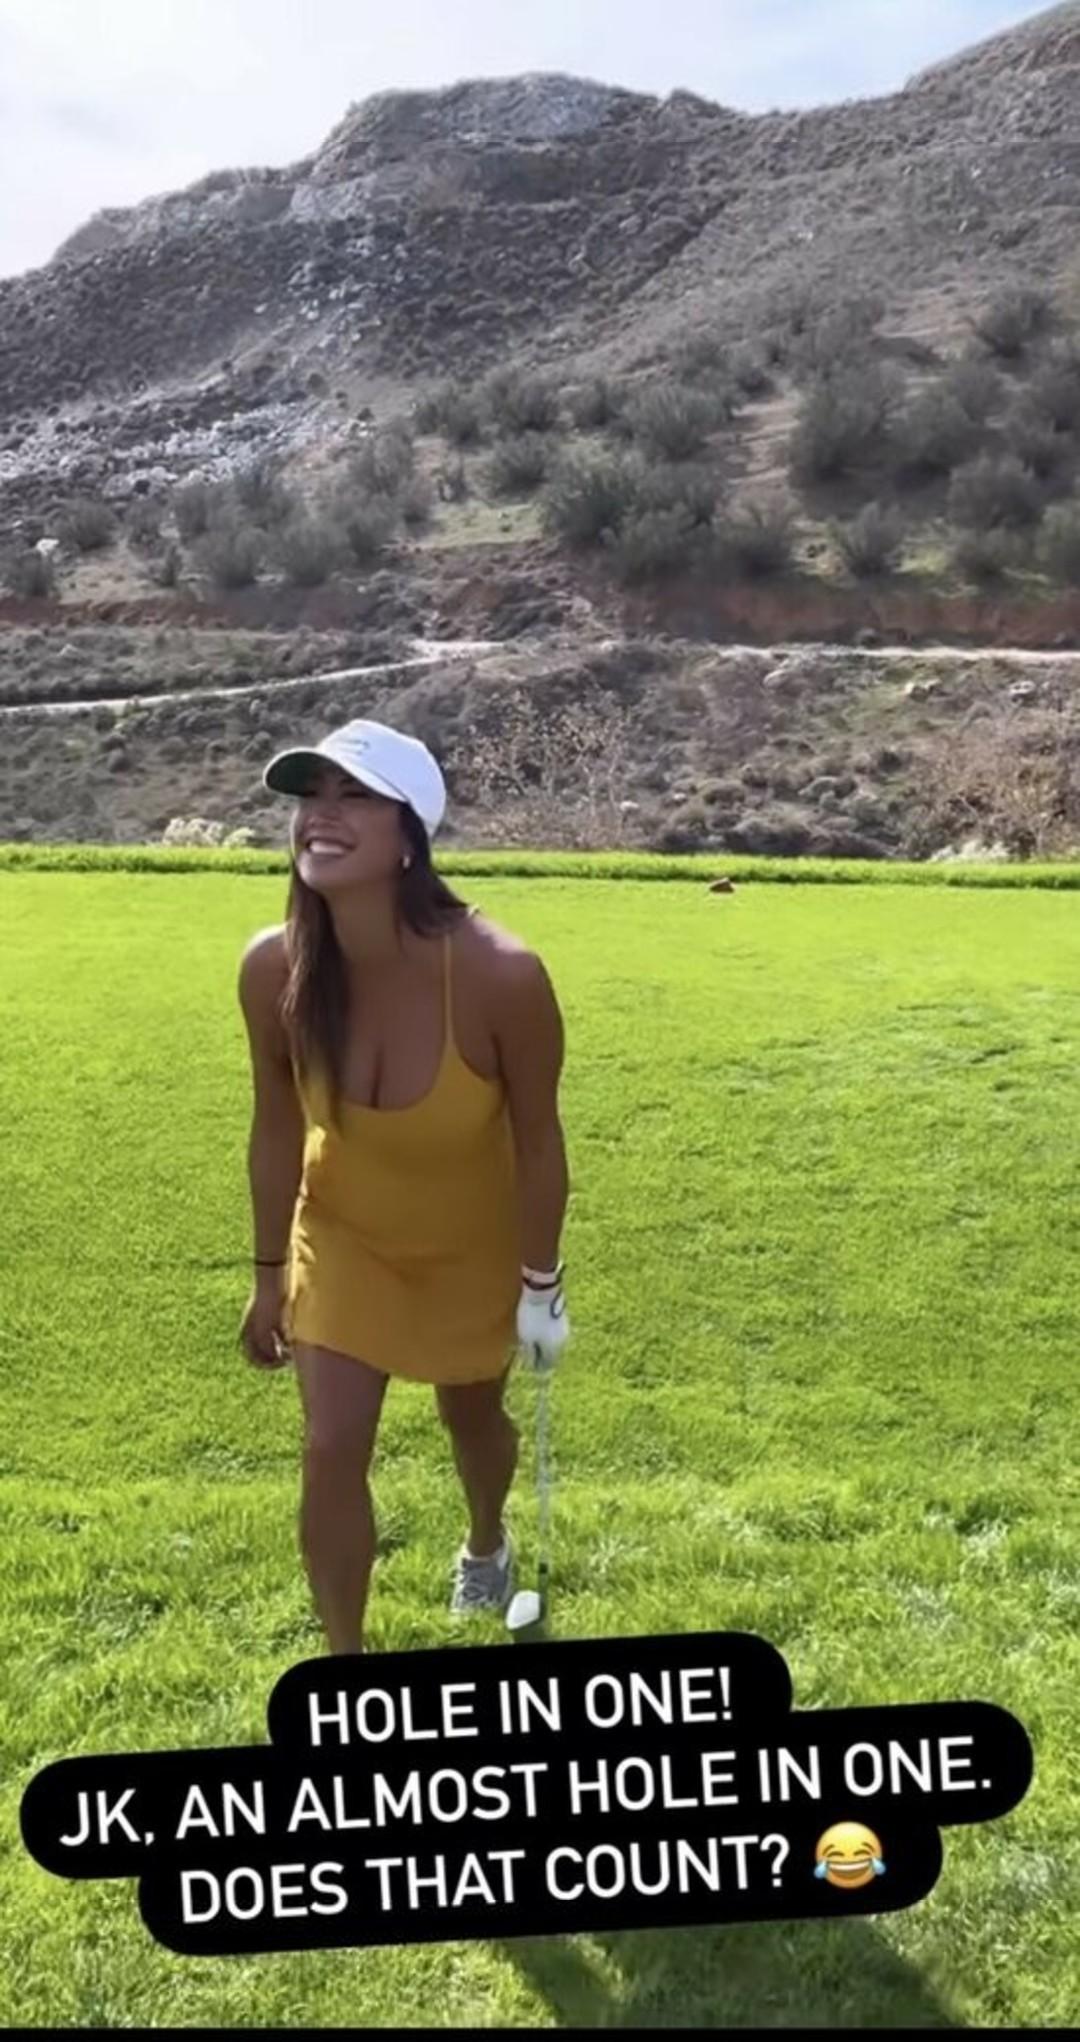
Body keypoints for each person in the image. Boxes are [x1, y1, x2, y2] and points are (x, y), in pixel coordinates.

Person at [236, 717, 570, 1655]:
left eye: (354, 797)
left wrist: (541, 1287)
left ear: (410, 836)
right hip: (344, 1236)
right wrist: (268, 1275)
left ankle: (486, 1541)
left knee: (474, 1419)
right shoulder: (273, 968)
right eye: (311, 796)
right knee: (331, 1445)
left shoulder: (503, 975)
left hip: (472, 1249)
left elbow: (540, 1144)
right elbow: (275, 1126)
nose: (321, 815)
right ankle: (347, 1667)